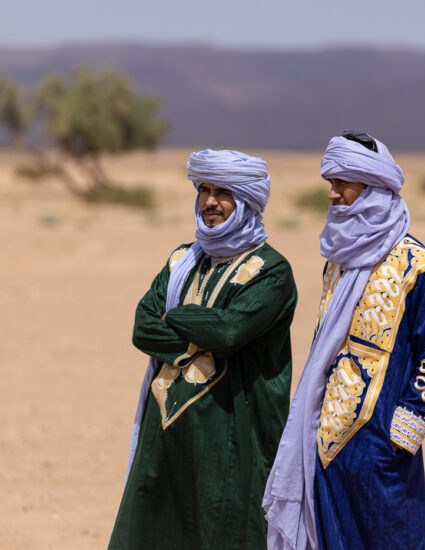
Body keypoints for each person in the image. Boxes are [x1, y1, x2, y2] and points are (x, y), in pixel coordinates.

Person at [263, 132, 425, 550]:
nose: (332, 194)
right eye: (330, 183)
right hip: (326, 442)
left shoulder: (417, 265)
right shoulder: (338, 261)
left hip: (381, 450)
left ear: (371, 187)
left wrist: (398, 440)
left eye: (342, 183)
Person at [109, 149, 297, 550]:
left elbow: (230, 333)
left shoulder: (271, 271)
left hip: (230, 438)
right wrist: (201, 324)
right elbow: (143, 326)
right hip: (166, 431)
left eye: (223, 192)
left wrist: (174, 314)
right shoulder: (182, 260)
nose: (210, 202)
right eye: (204, 190)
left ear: (246, 200)